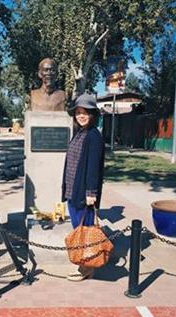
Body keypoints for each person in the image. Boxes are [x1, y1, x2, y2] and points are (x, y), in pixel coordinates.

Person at [61, 93, 104, 281]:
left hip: (83, 193)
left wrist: (91, 193)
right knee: (79, 232)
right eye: (78, 112)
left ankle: (87, 268)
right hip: (72, 191)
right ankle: (83, 265)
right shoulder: (79, 133)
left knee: (85, 233)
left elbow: (93, 167)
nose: (81, 116)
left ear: (92, 114)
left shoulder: (94, 136)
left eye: (85, 112)